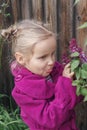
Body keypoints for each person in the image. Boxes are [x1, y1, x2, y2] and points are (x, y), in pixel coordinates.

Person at [1, 20, 82, 130]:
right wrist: (65, 84)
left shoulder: (54, 70)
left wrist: (79, 80)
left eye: (52, 54)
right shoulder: (22, 93)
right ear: (21, 58)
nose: (51, 61)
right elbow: (51, 119)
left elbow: (73, 100)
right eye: (42, 57)